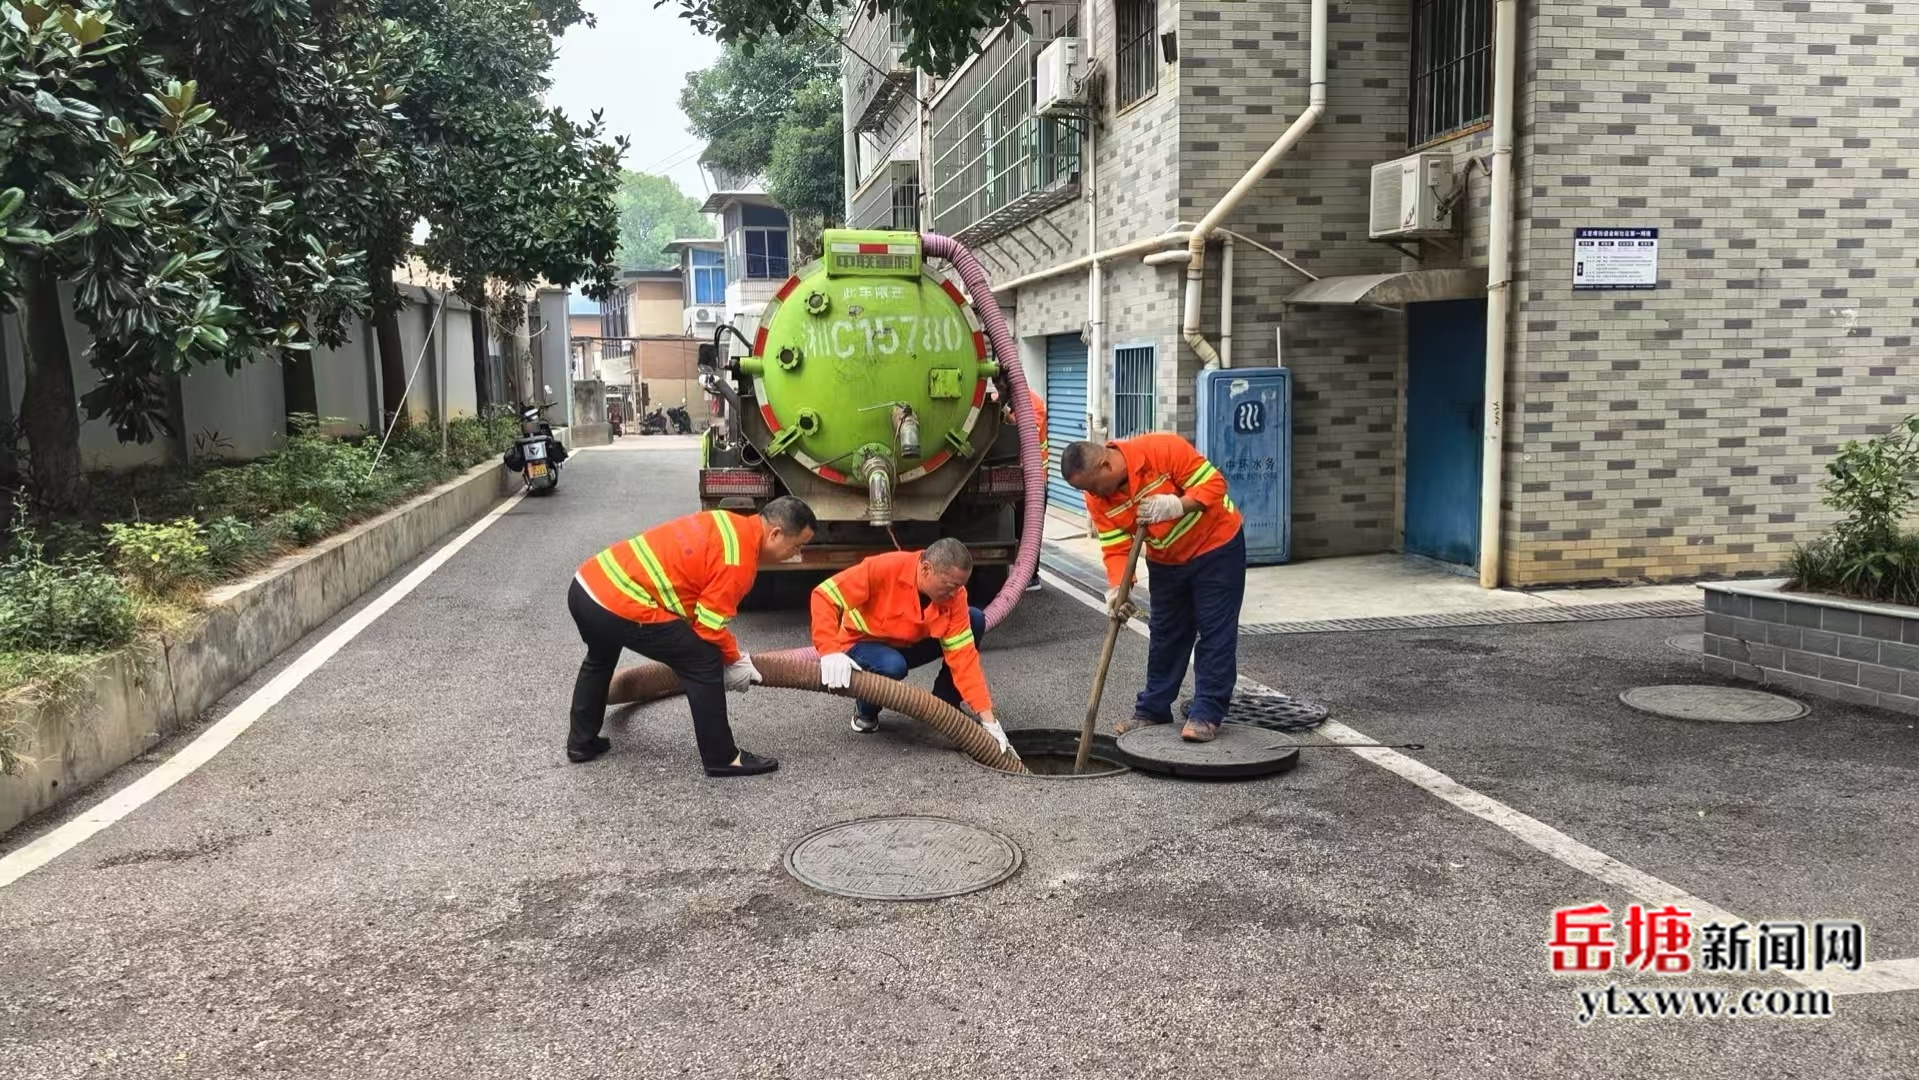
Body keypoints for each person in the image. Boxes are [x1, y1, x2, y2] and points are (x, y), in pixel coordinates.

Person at [566, 496, 817, 776]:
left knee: (600, 658)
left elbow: (693, 591)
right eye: (797, 546)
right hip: (618, 602)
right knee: (703, 660)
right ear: (775, 534)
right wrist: (734, 660)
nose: (796, 554)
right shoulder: (738, 560)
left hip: (585, 587)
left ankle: (581, 742)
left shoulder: (726, 521)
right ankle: (723, 758)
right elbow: (709, 629)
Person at [1060, 434, 1244, 742]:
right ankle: (1152, 711)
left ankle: (1207, 714)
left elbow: (1215, 485)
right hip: (1167, 560)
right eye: (1083, 490)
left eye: (1091, 486)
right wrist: (1117, 589)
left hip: (1216, 546)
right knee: (1165, 634)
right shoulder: (1097, 499)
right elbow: (1116, 547)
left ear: (1105, 464)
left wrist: (1177, 504)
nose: (1090, 495)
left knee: (1214, 630)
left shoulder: (1161, 450)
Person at [809, 538, 1014, 756]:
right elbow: (824, 595)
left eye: (960, 586)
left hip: (908, 644)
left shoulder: (955, 597)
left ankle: (943, 708)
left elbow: (964, 659)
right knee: (891, 665)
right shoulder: (883, 569)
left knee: (974, 618)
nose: (955, 594)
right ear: (926, 569)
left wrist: (989, 720)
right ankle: (866, 710)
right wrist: (829, 650)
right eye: (951, 585)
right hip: (864, 645)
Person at [999, 387, 1048, 593]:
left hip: (1033, 479)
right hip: (1016, 475)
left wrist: (1007, 417)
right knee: (1017, 527)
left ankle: (1031, 576)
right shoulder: (1006, 400)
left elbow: (1031, 431)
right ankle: (1019, 571)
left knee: (1029, 528)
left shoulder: (1032, 401)